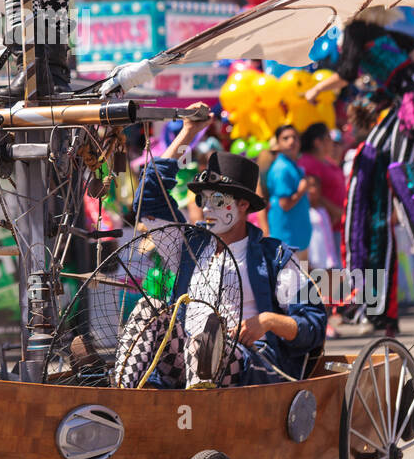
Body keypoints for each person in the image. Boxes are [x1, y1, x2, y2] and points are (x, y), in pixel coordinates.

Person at [116, 119, 326, 389]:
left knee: (209, 338)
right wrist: (188, 132)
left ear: (242, 204)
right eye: (204, 200)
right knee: (150, 308)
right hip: (180, 360)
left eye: (218, 201)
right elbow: (147, 196)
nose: (206, 210)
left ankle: (201, 407)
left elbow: (314, 324)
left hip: (244, 364)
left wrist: (268, 321)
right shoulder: (188, 245)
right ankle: (121, 395)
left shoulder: (274, 257)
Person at [309, 16, 414, 334]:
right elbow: (407, 55)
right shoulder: (381, 37)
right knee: (371, 169)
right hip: (404, 106)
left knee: (397, 179)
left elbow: (346, 74)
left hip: (411, 107)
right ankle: (376, 306)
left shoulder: (354, 32)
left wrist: (315, 90)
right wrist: (378, 95)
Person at [266, 125, 311, 258]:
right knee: (290, 278)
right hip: (287, 240)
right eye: (286, 138)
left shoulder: (291, 165)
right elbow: (285, 204)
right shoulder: (282, 168)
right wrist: (301, 191)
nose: (292, 141)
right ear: (278, 143)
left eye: (295, 138)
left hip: (296, 238)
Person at [299, 122, 346, 234]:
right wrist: (338, 213)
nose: (332, 143)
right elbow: (313, 194)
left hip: (337, 225)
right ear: (317, 142)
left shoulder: (326, 161)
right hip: (324, 227)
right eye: (328, 137)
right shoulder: (308, 163)